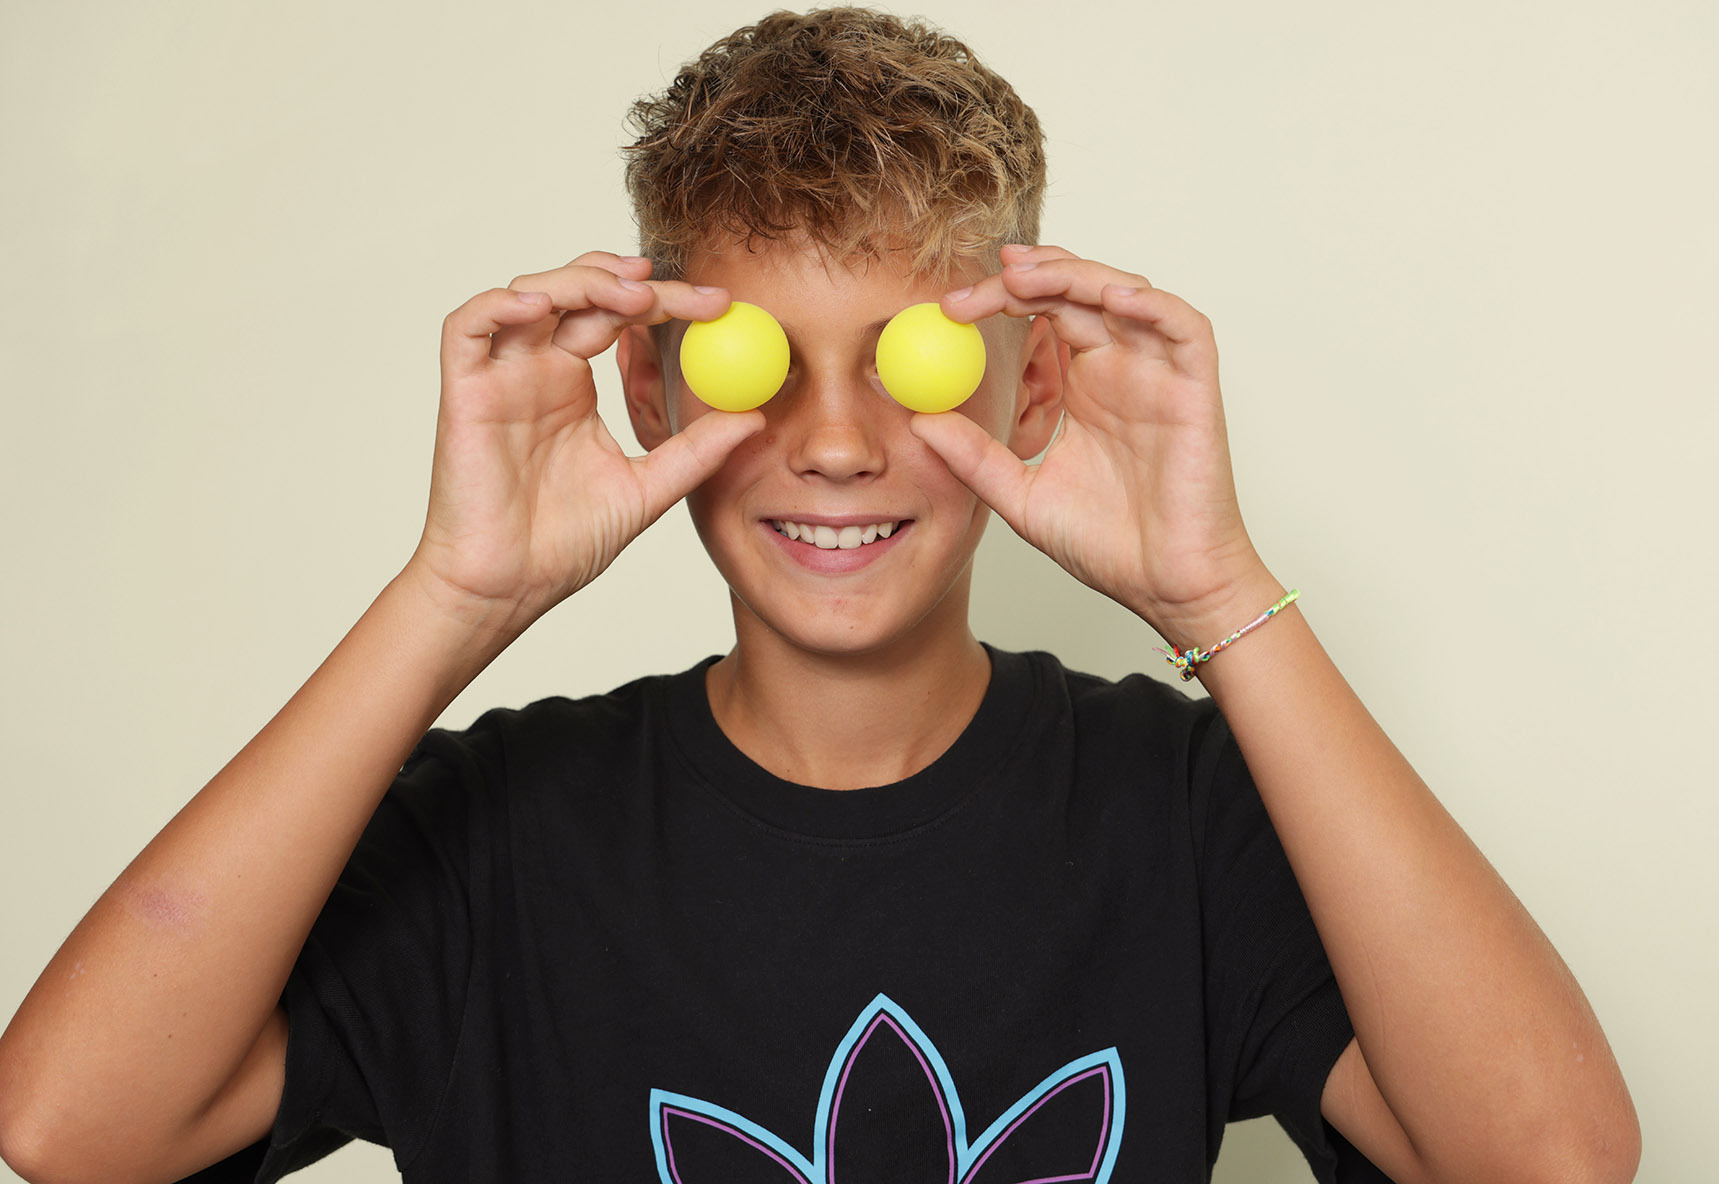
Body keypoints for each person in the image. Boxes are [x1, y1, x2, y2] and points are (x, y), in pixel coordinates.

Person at [0, 8, 1638, 1183]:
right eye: (755, 363)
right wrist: (453, 594)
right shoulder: (494, 836)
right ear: (651, 392)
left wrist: (1216, 587)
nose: (838, 444)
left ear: (1034, 390)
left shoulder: (1190, 811)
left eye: (908, 362)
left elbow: (1550, 1160)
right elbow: (69, 1129)